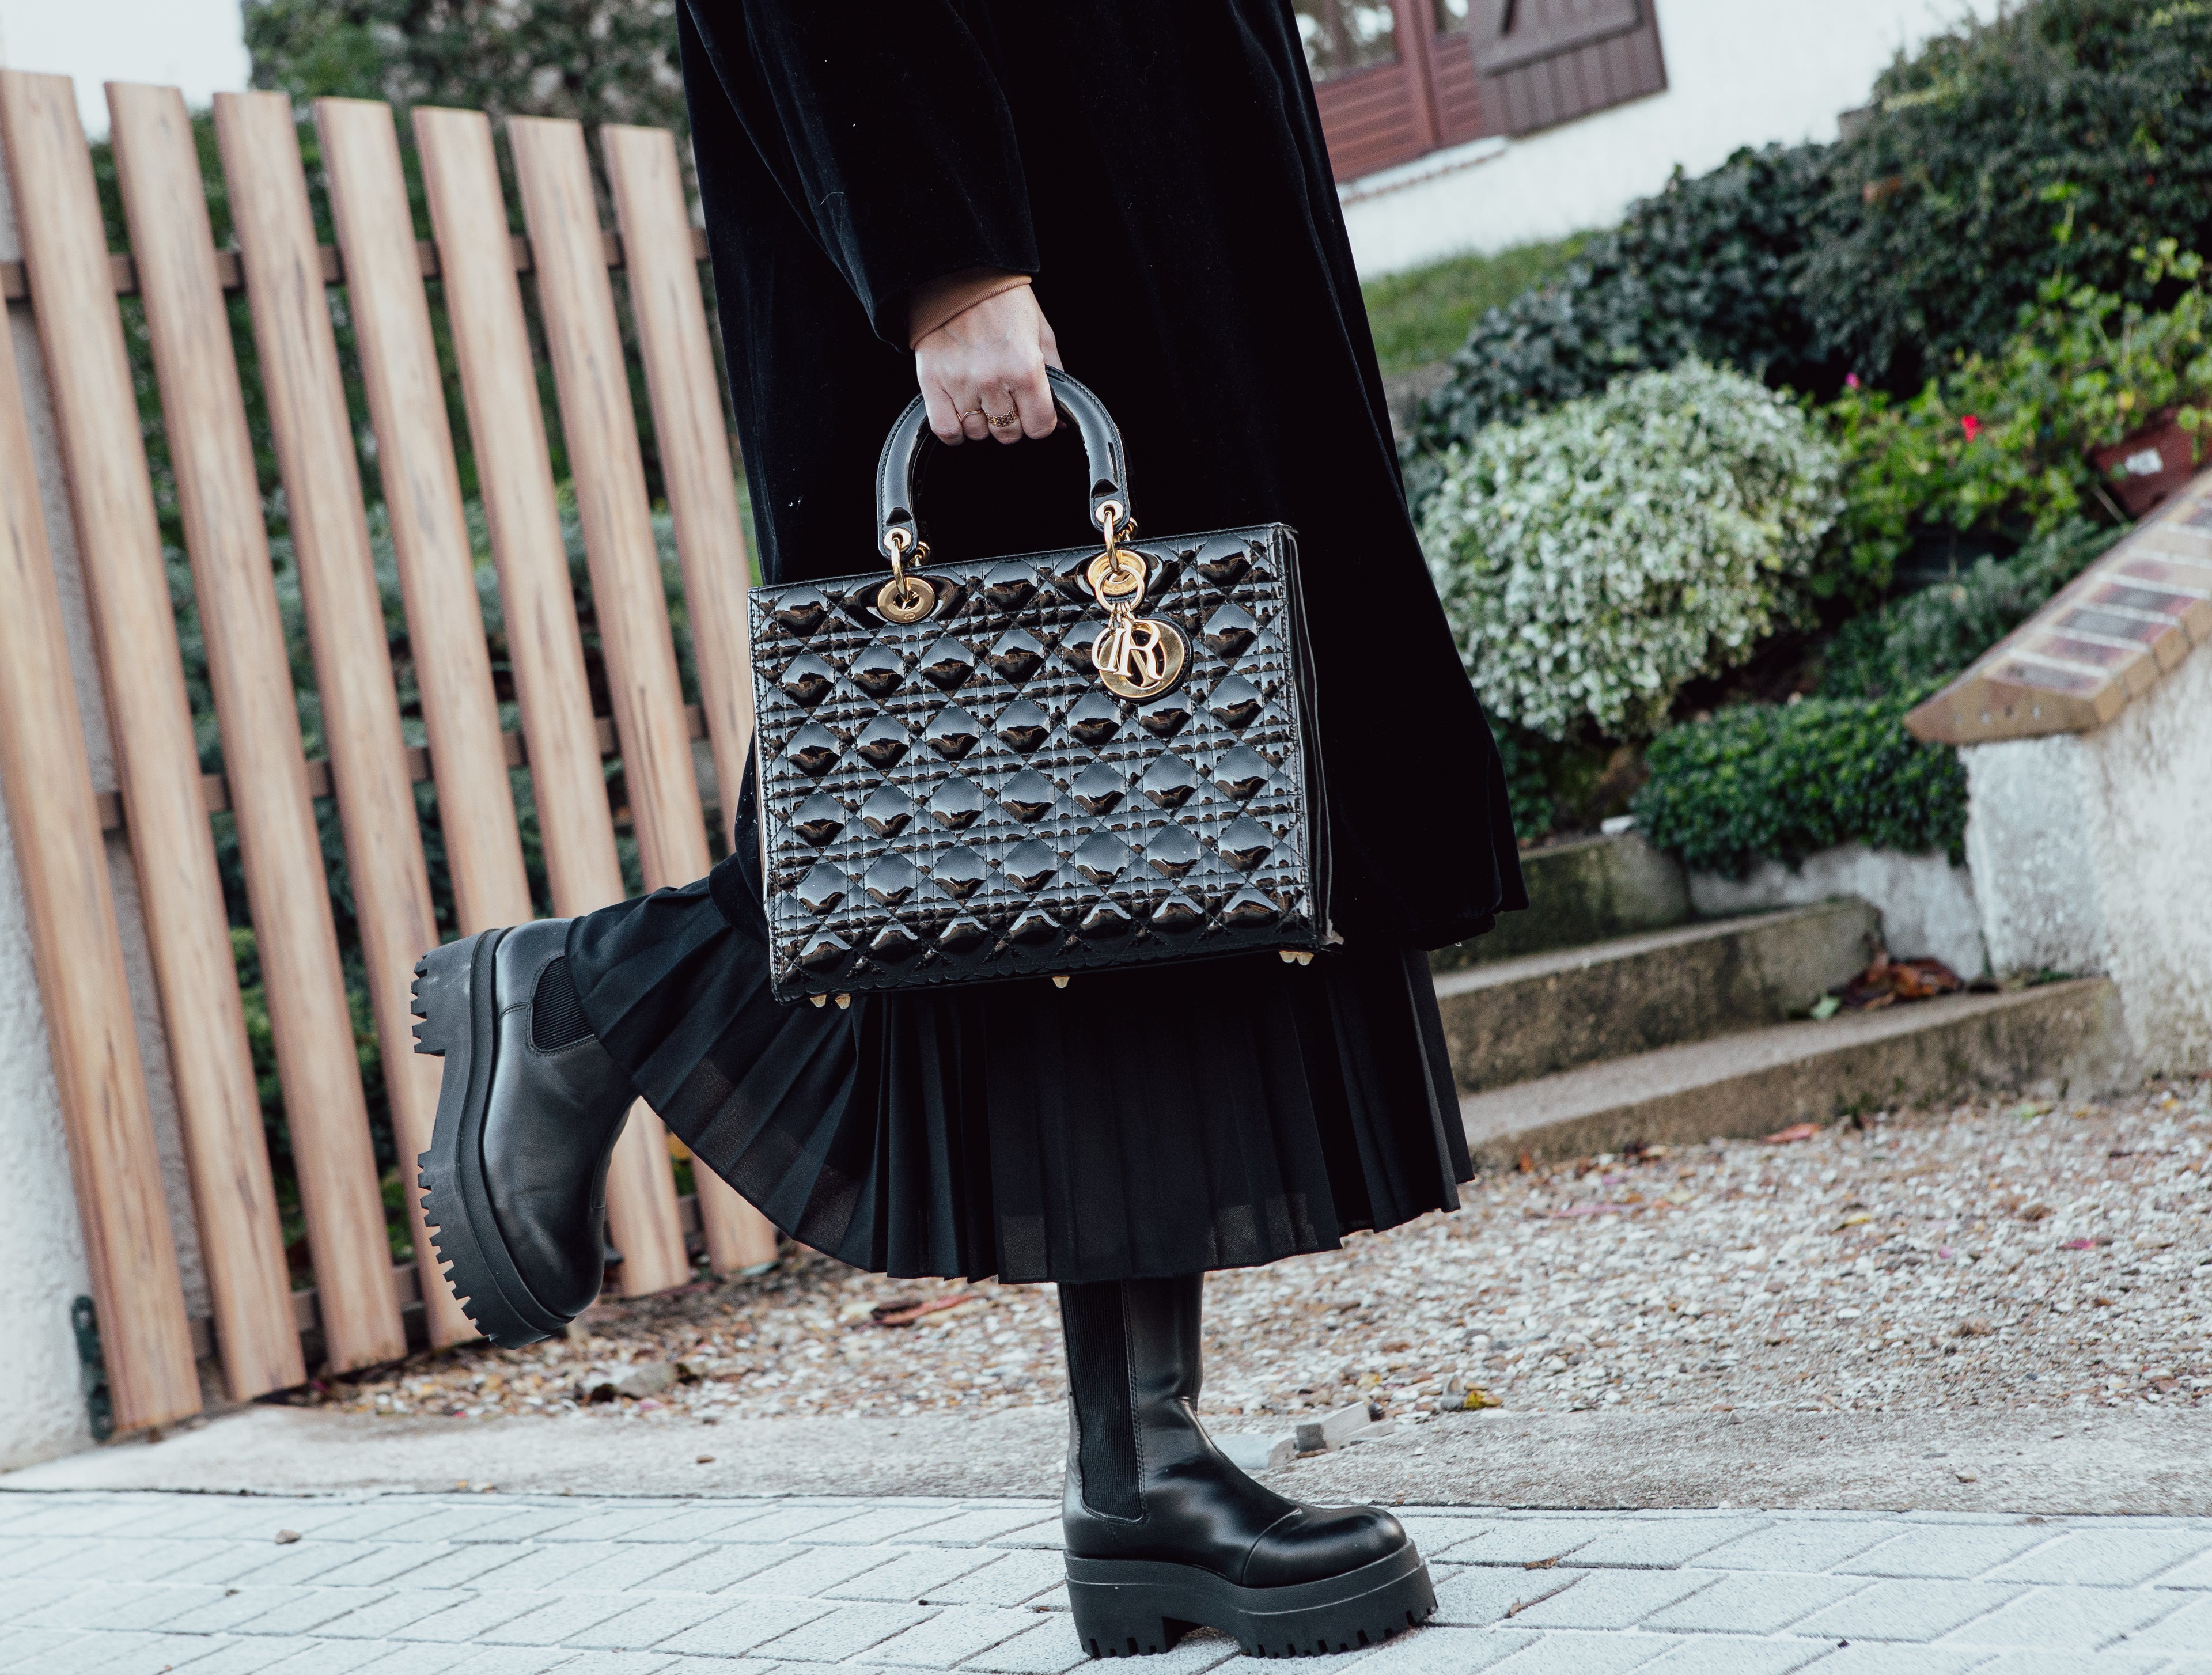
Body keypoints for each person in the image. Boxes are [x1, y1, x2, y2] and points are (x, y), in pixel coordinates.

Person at [411, 1, 1525, 1658]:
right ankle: (603, 992)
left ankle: (1139, 1470)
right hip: (1025, 204)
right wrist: (944, 257)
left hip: (1129, 165)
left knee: (1145, 856)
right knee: (1028, 808)